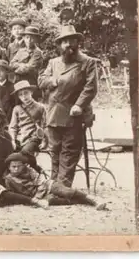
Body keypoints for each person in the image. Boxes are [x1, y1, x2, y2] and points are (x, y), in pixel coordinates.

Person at [38, 25, 98, 187]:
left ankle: (63, 187)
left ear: (78, 42)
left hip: (74, 114)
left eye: (71, 40)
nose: (68, 45)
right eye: (64, 41)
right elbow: (41, 80)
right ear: (60, 45)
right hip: (53, 114)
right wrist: (52, 81)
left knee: (69, 151)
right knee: (54, 150)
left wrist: (79, 105)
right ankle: (54, 185)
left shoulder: (88, 62)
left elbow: (91, 87)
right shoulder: (53, 62)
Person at [4, 152, 107, 210]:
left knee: (65, 191)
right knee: (56, 201)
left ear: (24, 165)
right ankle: (86, 202)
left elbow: (41, 181)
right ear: (9, 167)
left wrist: (38, 196)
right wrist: (34, 200)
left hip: (46, 186)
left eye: (19, 166)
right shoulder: (9, 180)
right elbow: (15, 195)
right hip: (39, 196)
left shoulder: (30, 170)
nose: (16, 169)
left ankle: (92, 199)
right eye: (13, 167)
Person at [9, 81, 47, 166]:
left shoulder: (40, 107)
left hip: (34, 138)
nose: (24, 97)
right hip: (20, 138)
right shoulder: (17, 109)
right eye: (21, 95)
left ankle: (35, 170)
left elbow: (44, 126)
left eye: (26, 93)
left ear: (31, 92)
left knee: (25, 152)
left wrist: (44, 140)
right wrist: (12, 140)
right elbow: (12, 127)